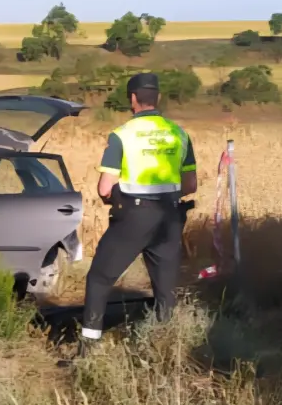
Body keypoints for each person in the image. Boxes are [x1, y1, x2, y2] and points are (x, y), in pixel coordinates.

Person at [77, 72, 197, 356]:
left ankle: (88, 350)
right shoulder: (179, 134)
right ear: (158, 97)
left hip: (133, 217)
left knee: (99, 279)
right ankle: (165, 349)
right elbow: (190, 185)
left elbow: (105, 188)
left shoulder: (122, 135)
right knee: (165, 289)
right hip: (169, 217)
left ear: (133, 98)